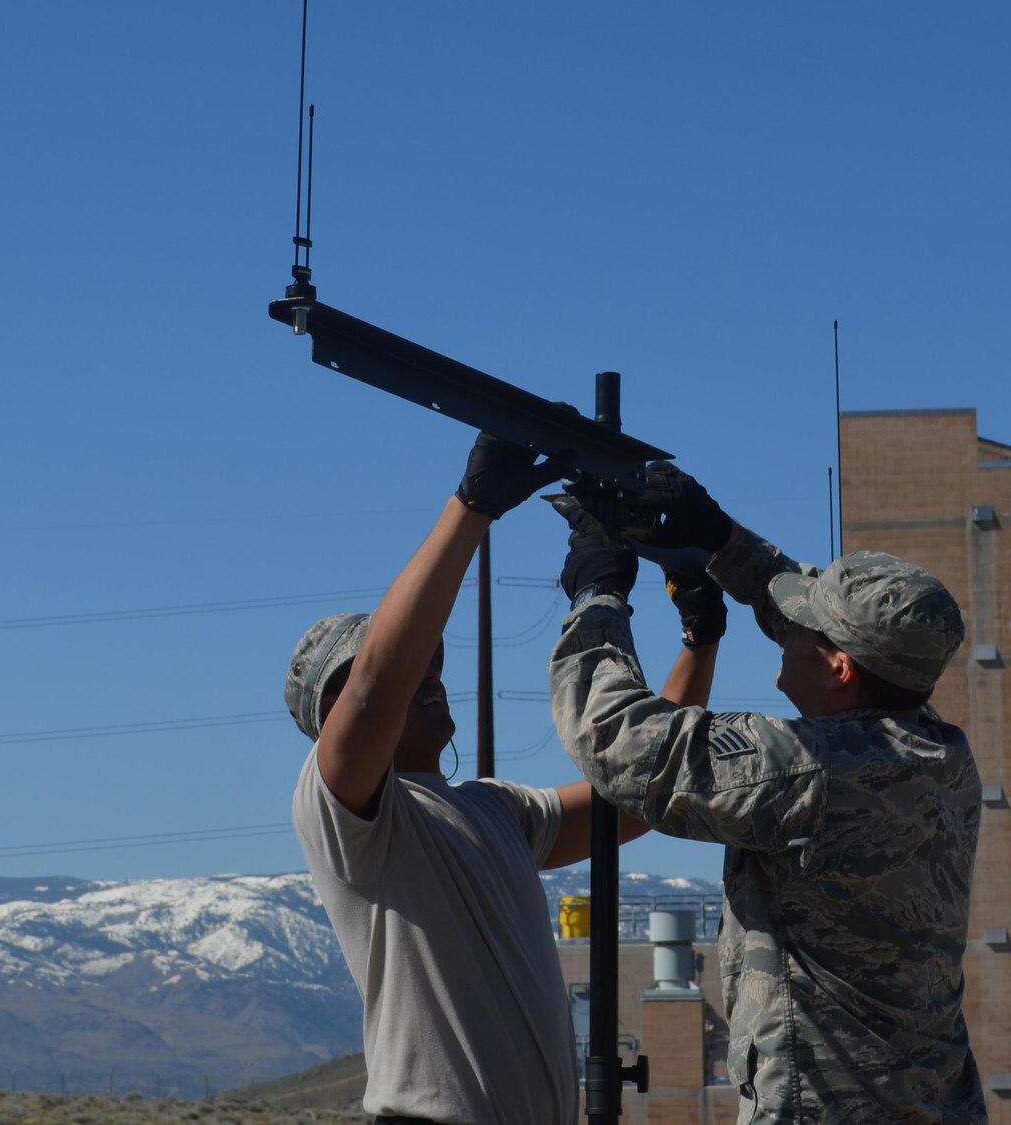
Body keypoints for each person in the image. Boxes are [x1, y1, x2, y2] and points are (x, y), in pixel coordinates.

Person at [286, 433, 725, 1125]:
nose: (425, 676)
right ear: (329, 721)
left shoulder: (496, 809)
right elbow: (375, 684)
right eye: (410, 666)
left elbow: (642, 794)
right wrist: (473, 507)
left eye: (432, 661)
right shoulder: (344, 814)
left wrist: (700, 634)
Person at [546, 466, 987, 1124]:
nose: (785, 628)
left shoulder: (807, 768)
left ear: (839, 667)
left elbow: (620, 740)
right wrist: (721, 540)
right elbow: (820, 614)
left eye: (800, 628)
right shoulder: (943, 756)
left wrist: (597, 594)